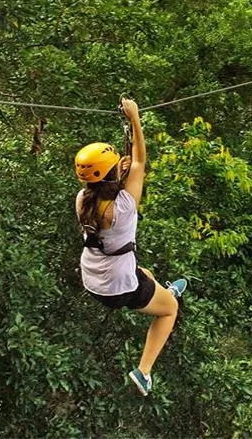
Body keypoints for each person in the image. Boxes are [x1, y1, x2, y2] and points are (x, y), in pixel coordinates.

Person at [74, 98, 186, 396]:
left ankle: (162, 291)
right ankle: (144, 371)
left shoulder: (82, 199)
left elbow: (118, 176)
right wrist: (134, 118)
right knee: (169, 310)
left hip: (93, 276)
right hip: (116, 287)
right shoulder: (124, 206)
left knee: (143, 272)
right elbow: (139, 160)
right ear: (113, 174)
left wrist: (118, 171)